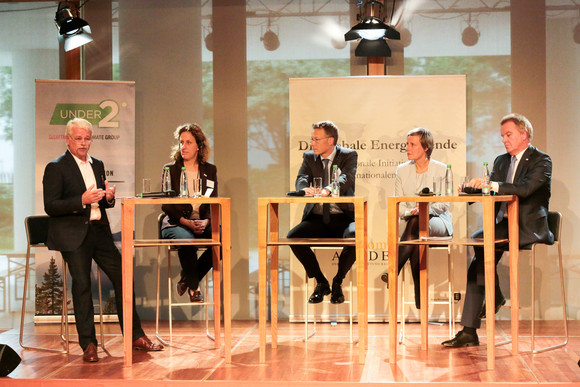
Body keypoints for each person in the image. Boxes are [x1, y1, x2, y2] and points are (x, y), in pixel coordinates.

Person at [43, 118, 163, 363]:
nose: (84, 143)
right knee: (82, 284)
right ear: (68, 139)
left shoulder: (97, 164)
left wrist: (108, 198)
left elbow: (102, 203)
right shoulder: (56, 167)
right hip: (73, 234)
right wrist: (81, 200)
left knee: (123, 276)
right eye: (78, 138)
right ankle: (88, 344)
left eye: (87, 138)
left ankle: (134, 336)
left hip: (99, 231)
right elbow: (51, 206)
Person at [442, 113, 553, 347]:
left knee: (481, 253)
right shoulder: (501, 161)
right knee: (479, 244)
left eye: (509, 134)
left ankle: (480, 317)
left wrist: (491, 185)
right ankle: (474, 325)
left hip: (528, 227)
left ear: (524, 135)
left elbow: (524, 189)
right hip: (504, 226)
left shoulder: (541, 160)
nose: (504, 140)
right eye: (502, 136)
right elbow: (489, 191)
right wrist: (470, 189)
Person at [380, 128, 453, 309]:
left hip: (438, 222)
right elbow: (399, 206)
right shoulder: (401, 171)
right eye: (407, 144)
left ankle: (393, 270)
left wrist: (423, 210)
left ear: (425, 148)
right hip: (412, 224)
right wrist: (412, 212)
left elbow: (444, 203)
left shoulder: (441, 169)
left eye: (412, 145)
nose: (407, 148)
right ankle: (420, 296)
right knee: (415, 227)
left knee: (416, 223)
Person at [287, 120, 358, 304]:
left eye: (316, 139)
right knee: (293, 237)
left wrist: (327, 189)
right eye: (312, 139)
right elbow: (302, 177)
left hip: (342, 217)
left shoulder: (348, 155)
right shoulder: (309, 157)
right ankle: (321, 282)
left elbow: (346, 178)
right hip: (317, 218)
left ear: (330, 140)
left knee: (356, 238)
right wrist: (305, 190)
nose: (312, 143)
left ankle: (337, 281)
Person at [160, 123, 218, 303]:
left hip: (201, 222)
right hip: (176, 222)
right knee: (186, 239)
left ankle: (187, 277)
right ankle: (194, 288)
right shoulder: (170, 169)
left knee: (221, 240)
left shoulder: (210, 170)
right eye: (181, 142)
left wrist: (207, 222)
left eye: (188, 142)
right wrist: (186, 222)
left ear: (199, 146)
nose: (183, 147)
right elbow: (167, 205)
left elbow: (213, 200)